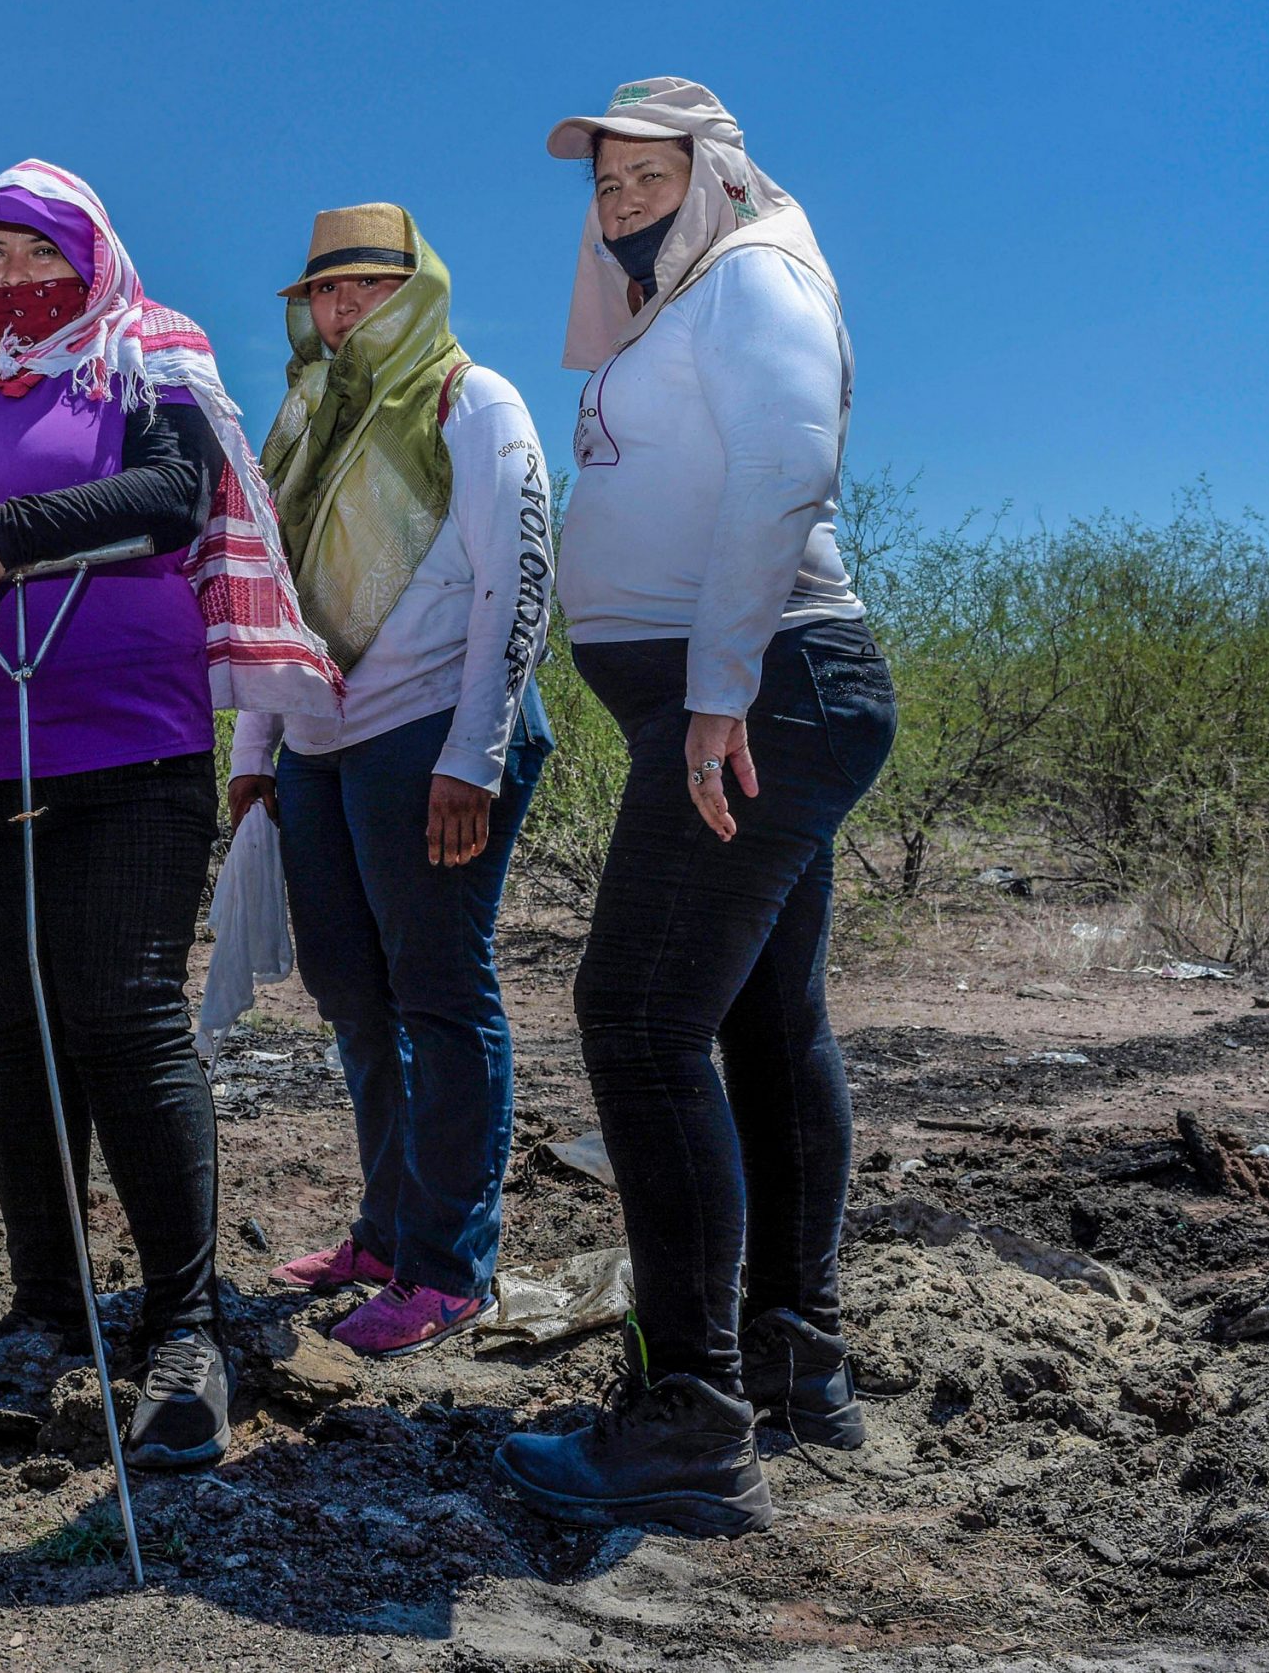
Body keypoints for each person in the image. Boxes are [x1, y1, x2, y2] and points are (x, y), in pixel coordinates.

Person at [0, 159, 337, 1471]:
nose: (9, 280)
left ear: (93, 259)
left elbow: (177, 492)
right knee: (18, 1034)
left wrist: (5, 529)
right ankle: (47, 1312)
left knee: (124, 1015)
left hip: (127, 745)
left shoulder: (148, 353)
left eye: (35, 253)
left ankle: (188, 1324)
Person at [493, 80, 895, 1538]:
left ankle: (692, 1419)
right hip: (752, 691)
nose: (621, 202)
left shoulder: (758, 274)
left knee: (639, 1019)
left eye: (648, 176)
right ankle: (797, 1365)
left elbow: (789, 465)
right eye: (605, 185)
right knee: (762, 1023)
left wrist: (718, 686)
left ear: (713, 175)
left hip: (765, 686)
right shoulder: (669, 309)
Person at [230, 204, 554, 1358]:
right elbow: (272, 596)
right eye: (325, 292)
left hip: (434, 736)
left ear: (417, 290)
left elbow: (516, 585)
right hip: (319, 743)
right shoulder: (306, 417)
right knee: (351, 996)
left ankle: (449, 1267)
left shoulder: (473, 401)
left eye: (367, 287)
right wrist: (254, 755)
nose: (343, 308)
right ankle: (384, 1231)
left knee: (438, 993)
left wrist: (472, 753)